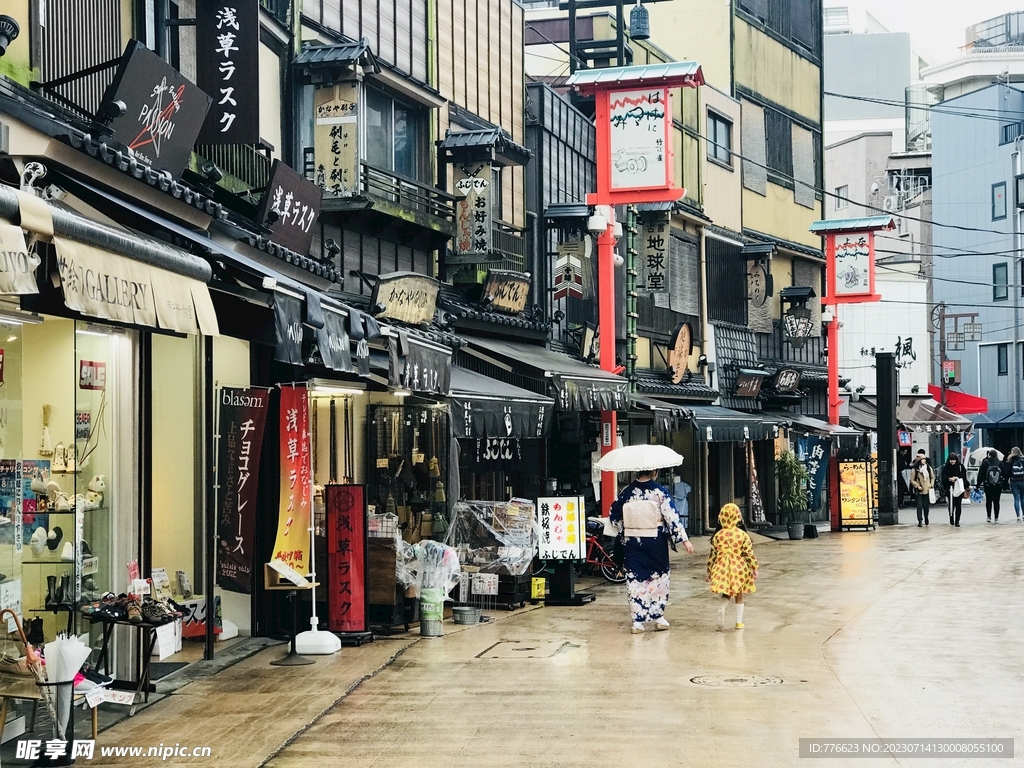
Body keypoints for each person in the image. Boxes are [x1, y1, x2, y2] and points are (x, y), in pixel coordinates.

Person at [610, 469, 694, 634]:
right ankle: (658, 617)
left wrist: (627, 526)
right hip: (655, 542)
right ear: (654, 472)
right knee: (658, 578)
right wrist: (685, 540)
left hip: (633, 541)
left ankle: (637, 622)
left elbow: (614, 517)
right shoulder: (659, 492)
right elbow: (672, 517)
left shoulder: (626, 493)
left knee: (635, 580)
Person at [707, 503, 759, 630]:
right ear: (738, 517)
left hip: (721, 566)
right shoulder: (742, 535)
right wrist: (755, 567)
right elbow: (748, 553)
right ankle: (738, 622)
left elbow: (712, 556)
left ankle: (722, 608)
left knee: (727, 592)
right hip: (739, 568)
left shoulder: (718, 536)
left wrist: (709, 572)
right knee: (739, 594)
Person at [940, 453, 968, 527]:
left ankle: (957, 520)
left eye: (953, 460)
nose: (952, 462)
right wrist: (949, 479)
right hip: (950, 488)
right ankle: (951, 517)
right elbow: (943, 478)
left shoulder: (960, 467)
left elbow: (964, 477)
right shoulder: (946, 467)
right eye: (951, 460)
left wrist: (956, 478)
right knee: (951, 504)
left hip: (959, 488)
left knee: (958, 505)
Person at [977, 449, 1004, 523]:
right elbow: (1004, 474)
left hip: (988, 485)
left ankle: (989, 516)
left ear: (989, 455)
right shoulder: (1000, 463)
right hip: (998, 486)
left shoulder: (985, 463)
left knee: (988, 500)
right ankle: (996, 517)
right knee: (997, 501)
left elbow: (981, 474)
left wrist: (978, 484)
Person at [909, 449, 934, 527]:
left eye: (924, 459)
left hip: (927, 489)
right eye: (922, 459)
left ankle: (926, 517)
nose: (924, 461)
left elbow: (932, 477)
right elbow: (912, 480)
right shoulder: (915, 470)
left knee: (926, 506)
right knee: (919, 506)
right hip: (919, 491)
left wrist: (931, 484)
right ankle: (920, 520)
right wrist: (917, 486)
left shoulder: (928, 469)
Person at [1006, 447, 1024, 522]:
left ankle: (1018, 516)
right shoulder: (1023, 460)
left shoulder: (1010, 461)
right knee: (1023, 498)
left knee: (1016, 499)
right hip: (1023, 480)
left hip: (1014, 481)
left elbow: (1007, 472)